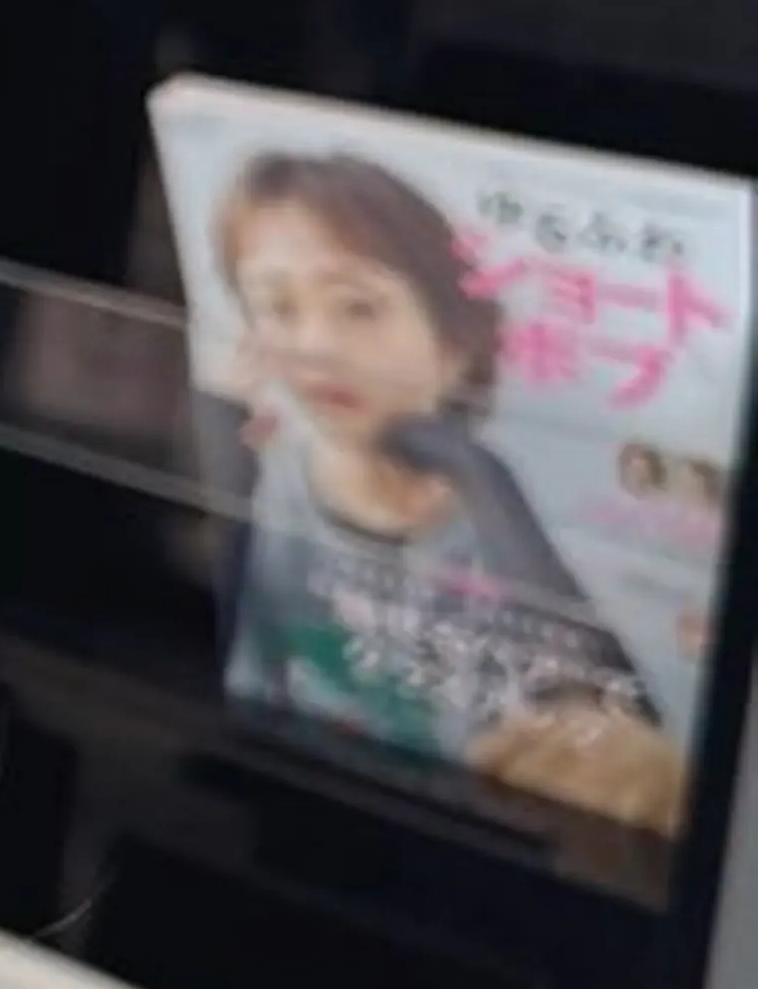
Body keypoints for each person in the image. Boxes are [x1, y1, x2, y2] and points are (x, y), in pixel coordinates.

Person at [210, 145, 669, 812]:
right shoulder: (272, 481)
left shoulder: (500, 506)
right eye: (276, 308)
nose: (313, 345)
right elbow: (248, 667)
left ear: (454, 345)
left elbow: (601, 716)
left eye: (358, 308)